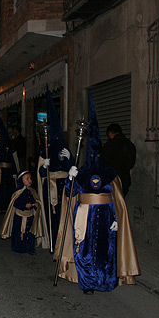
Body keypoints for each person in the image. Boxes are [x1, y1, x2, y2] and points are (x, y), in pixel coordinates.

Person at [54, 94, 140, 295]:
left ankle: (106, 280)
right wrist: (71, 177)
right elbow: (70, 192)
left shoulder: (110, 174)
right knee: (85, 252)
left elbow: (117, 199)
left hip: (106, 218)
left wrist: (116, 218)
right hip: (85, 220)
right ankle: (88, 283)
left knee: (105, 252)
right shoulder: (83, 173)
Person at [37, 88, 73, 252]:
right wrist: (44, 166)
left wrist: (71, 160)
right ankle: (52, 240)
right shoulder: (45, 151)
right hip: (50, 187)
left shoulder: (65, 151)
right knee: (52, 215)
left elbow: (72, 169)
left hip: (64, 187)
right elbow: (41, 174)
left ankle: (64, 242)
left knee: (65, 215)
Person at [0, 170, 44, 254]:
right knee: (18, 232)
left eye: (30, 178)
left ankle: (29, 248)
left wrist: (36, 204)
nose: (29, 180)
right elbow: (15, 203)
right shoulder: (18, 192)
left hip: (30, 216)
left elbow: (36, 199)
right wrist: (24, 205)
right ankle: (18, 247)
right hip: (20, 216)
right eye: (27, 178)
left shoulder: (32, 191)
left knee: (29, 232)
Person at [103, 123, 137, 196]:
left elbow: (104, 160)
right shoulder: (129, 144)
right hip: (124, 179)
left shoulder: (110, 145)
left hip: (111, 179)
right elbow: (131, 163)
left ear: (110, 133)